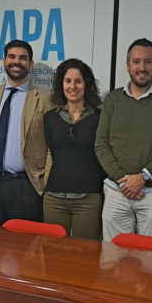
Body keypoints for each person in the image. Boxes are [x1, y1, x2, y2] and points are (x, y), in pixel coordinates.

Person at [95, 38, 152, 241]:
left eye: (148, 61)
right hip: (116, 191)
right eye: (136, 62)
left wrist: (143, 177)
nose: (142, 67)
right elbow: (101, 144)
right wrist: (123, 181)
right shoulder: (112, 99)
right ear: (128, 66)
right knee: (113, 260)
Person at [0, 40, 51, 226]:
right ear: (4, 61)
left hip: (27, 186)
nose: (16, 62)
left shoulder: (45, 99)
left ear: (30, 64)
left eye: (23, 58)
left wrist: (44, 180)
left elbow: (52, 144)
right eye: (12, 57)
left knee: (25, 250)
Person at [43, 59, 107, 239]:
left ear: (87, 84)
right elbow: (53, 154)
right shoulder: (50, 118)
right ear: (60, 84)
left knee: (85, 256)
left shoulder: (100, 118)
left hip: (88, 199)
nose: (73, 86)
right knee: (53, 254)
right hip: (54, 198)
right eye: (67, 81)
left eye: (78, 81)